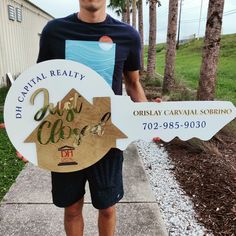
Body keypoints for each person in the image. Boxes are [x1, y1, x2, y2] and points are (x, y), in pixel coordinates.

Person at [37, 0, 147, 235]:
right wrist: (28, 127)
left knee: (107, 207)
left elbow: (133, 84)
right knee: (72, 208)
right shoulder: (54, 32)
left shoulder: (127, 35)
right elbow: (41, 82)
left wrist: (152, 117)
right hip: (66, 135)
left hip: (107, 138)